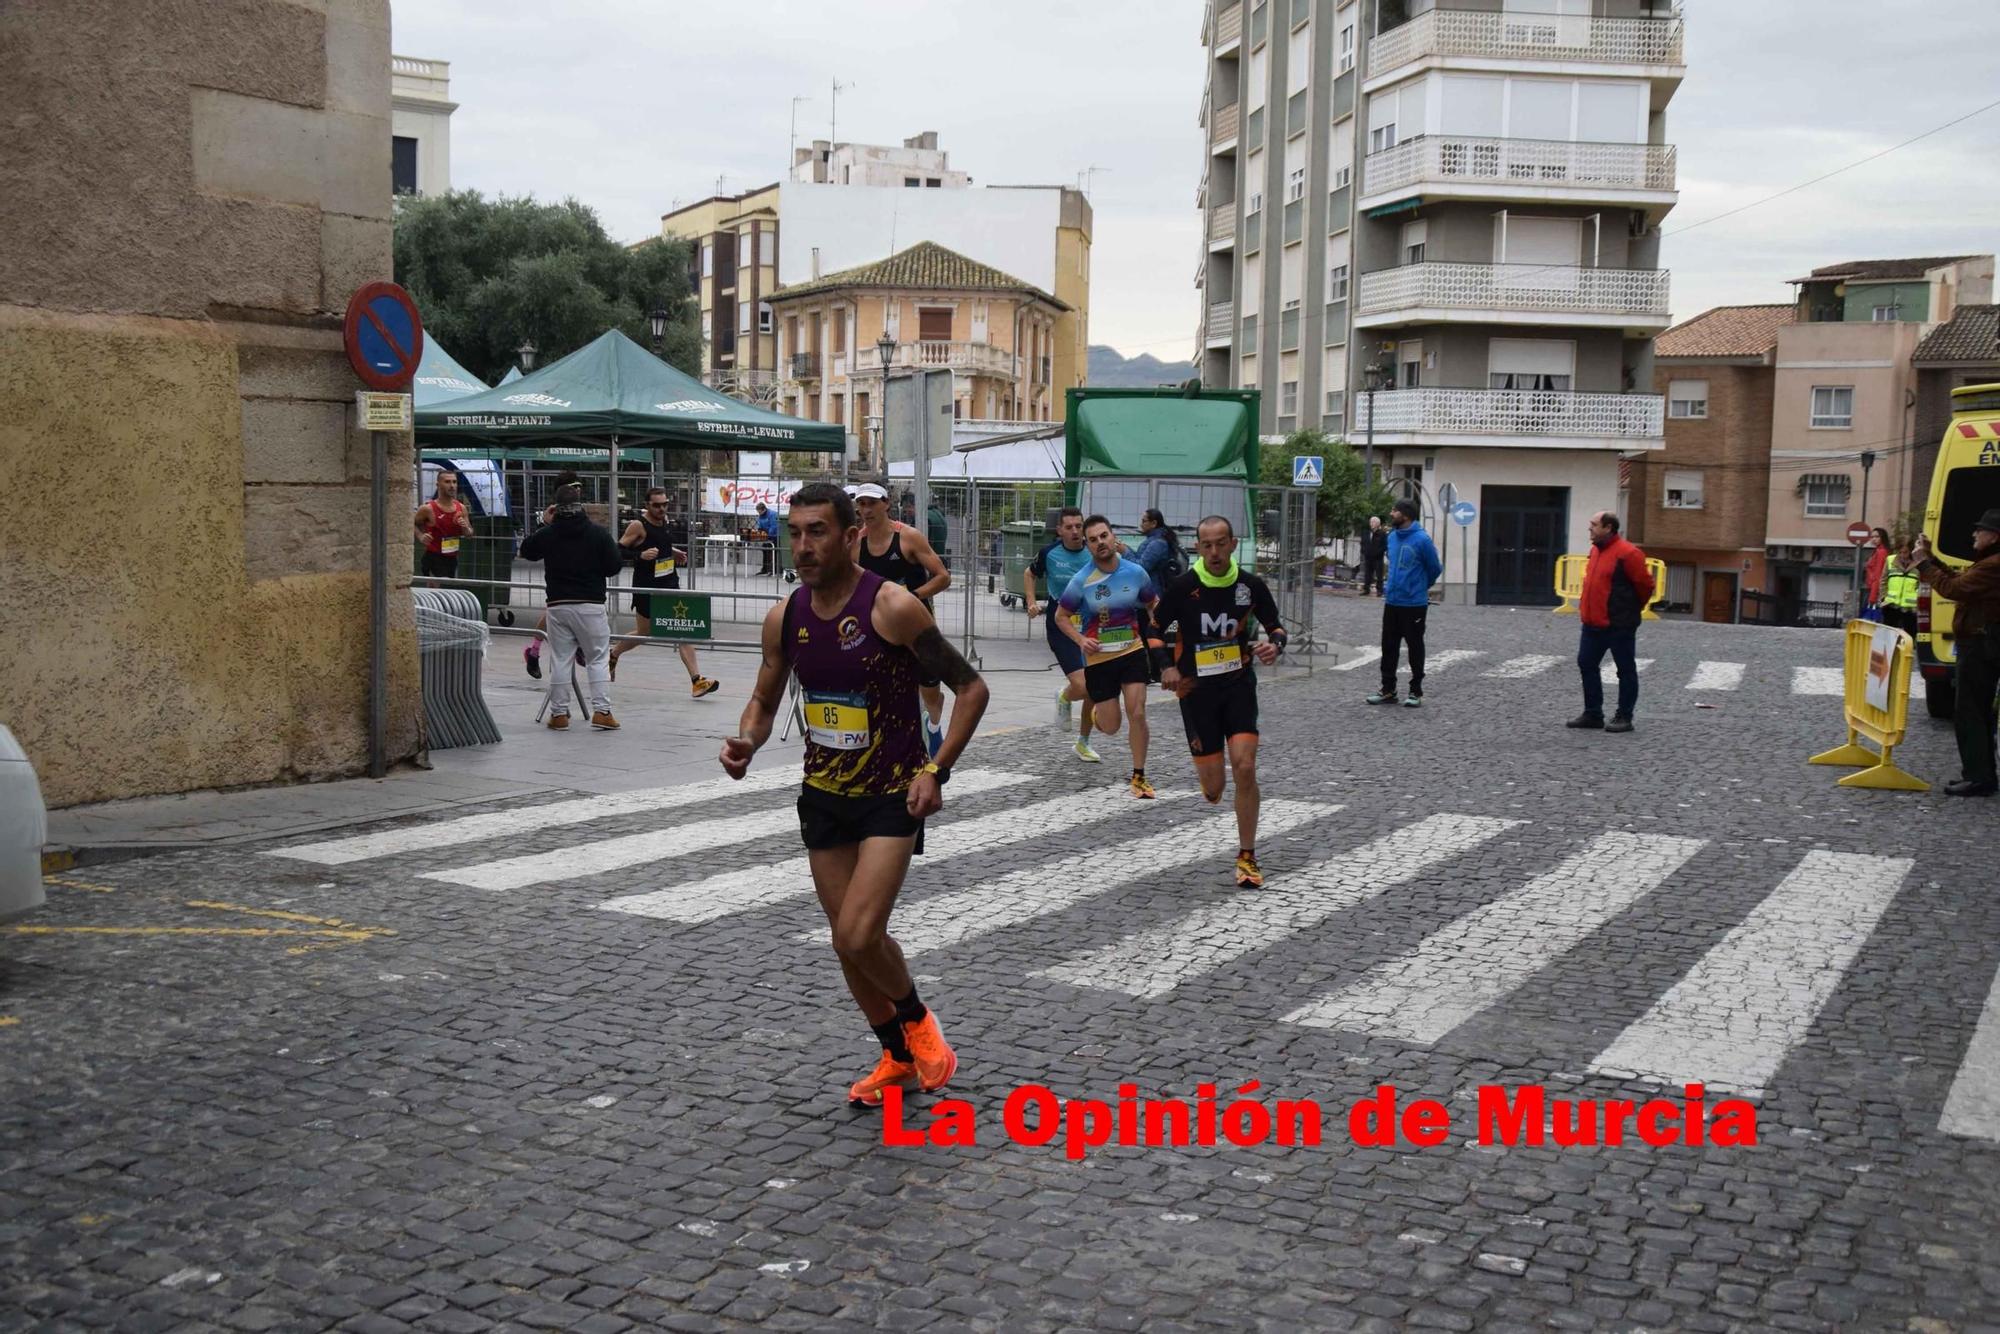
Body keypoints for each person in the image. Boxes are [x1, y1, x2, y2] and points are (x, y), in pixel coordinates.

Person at [719, 482, 990, 1105]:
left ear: (848, 537)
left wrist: (936, 770)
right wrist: (748, 741)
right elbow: (765, 698)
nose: (804, 545)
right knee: (846, 936)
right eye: (795, 532)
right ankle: (895, 1057)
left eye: (817, 532)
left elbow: (971, 690)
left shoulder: (892, 606)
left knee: (858, 934)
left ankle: (919, 1022)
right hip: (823, 794)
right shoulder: (784, 616)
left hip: (893, 793)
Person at [1149, 515, 1287, 888]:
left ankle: (1247, 857)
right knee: (1213, 789)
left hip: (1238, 685)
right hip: (1195, 693)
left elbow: (1276, 626)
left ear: (1232, 543)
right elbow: (1154, 629)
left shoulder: (1250, 585)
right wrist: (1166, 667)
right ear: (1198, 547)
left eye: (1220, 543)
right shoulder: (1184, 586)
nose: (1213, 552)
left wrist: (1274, 645)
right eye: (1206, 545)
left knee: (1244, 766)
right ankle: (1211, 783)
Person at [1056, 515, 1162, 799]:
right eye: (1093, 540)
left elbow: (1153, 603)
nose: (1100, 543)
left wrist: (1159, 623)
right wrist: (1080, 639)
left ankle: (1139, 776)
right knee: (1111, 726)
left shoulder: (1136, 572)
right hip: (1100, 658)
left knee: (1137, 712)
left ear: (1113, 537)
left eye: (1104, 536)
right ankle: (1095, 714)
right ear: (1088, 546)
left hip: (1132, 651)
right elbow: (1061, 616)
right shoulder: (1082, 580)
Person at [517, 472, 625, 731]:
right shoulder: (597, 534)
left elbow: (527, 550)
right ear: (580, 506)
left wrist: (545, 523)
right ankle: (602, 712)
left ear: (556, 509)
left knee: (561, 659)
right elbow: (614, 566)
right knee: (597, 658)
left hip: (558, 604)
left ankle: (559, 714)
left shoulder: (549, 533)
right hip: (590, 604)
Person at [851, 482, 952, 756]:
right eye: (861, 504)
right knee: (881, 687)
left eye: (872, 503)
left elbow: (943, 577)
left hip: (918, 625)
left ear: (886, 504)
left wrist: (912, 597)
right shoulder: (857, 543)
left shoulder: (908, 537)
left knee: (931, 692)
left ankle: (932, 725)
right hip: (878, 627)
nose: (866, 509)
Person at [1913, 508, 2000, 797]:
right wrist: (1931, 559)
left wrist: (1925, 565)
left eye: (1981, 530)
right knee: (1977, 711)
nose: (1974, 534)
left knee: (1971, 712)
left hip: (1980, 645)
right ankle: (1980, 774)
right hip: (1980, 642)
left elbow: (1953, 588)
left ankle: (1979, 777)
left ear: (1994, 536)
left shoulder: (1992, 566)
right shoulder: (1987, 563)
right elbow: (1959, 581)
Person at [609, 486, 719, 698]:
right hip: (647, 587)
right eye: (656, 505)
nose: (661, 509)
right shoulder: (638, 526)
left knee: (682, 628)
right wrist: (640, 555)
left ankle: (697, 681)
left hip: (669, 584)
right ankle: (612, 655)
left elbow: (660, 544)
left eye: (665, 504)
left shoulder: (666, 521)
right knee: (644, 632)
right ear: (647, 505)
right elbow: (617, 549)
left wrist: (672, 551)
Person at [1566, 510, 1655, 735]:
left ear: (1608, 528)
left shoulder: (1628, 554)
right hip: (1592, 623)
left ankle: (1625, 716)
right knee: (1586, 664)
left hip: (1619, 624)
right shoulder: (1595, 551)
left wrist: (1630, 609)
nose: (1590, 529)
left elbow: (1645, 586)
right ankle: (1593, 713)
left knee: (1625, 670)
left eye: (1594, 525)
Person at [1025, 507, 1100, 761]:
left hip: (1092, 623)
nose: (1075, 531)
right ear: (1059, 530)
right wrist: (1031, 602)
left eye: (1079, 526)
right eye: (1069, 527)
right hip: (1061, 623)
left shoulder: (1093, 551)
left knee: (1094, 688)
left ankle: (1083, 742)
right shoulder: (1049, 553)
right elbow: (1029, 573)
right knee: (1084, 685)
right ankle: (1065, 695)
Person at [1366, 500, 1442, 707]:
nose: (1391, 513)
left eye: (1395, 511)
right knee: (1388, 647)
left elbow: (1435, 568)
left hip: (1414, 604)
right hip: (1392, 602)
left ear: (1406, 515)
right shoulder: (1391, 538)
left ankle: (1416, 691)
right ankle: (1388, 690)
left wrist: (1419, 586)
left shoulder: (1422, 540)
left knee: (1415, 647)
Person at [414, 470, 474, 583]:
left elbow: (469, 534)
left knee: (449, 592)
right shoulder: (428, 508)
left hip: (452, 558)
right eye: (447, 482)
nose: (452, 486)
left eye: (454, 482)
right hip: (433, 558)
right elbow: (411, 523)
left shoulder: (461, 508)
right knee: (435, 596)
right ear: (438, 485)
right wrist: (420, 536)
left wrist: (465, 527)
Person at [1130, 508, 1185, 601]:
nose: (1141, 524)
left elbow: (1142, 567)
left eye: (1144, 521)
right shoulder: (1155, 540)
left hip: (1154, 594)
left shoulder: (1158, 543)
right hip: (1151, 592)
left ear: (1154, 523)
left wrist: (1125, 551)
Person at [1880, 536, 1921, 639]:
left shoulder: (1919, 563)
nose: (1903, 555)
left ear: (1911, 551)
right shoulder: (1890, 560)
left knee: (1909, 639)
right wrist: (1883, 597)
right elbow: (1883, 580)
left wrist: (1918, 602)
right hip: (1891, 606)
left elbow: (1921, 584)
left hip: (1910, 609)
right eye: (1900, 552)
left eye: (1905, 552)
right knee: (1888, 639)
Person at [1864, 527, 1891, 618]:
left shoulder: (1881, 552)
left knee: (1872, 616)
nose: (1874, 539)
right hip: (1873, 587)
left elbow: (1879, 574)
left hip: (1875, 589)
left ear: (1883, 538)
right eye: (1872, 537)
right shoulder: (1878, 551)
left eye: (1877, 536)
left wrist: (1873, 596)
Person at [1360, 515, 1388, 597]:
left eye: (1373, 522)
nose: (1371, 524)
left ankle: (1379, 591)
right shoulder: (1366, 533)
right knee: (1367, 574)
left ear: (1378, 523)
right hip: (1368, 557)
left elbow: (1384, 545)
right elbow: (1363, 543)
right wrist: (1364, 551)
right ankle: (1366, 589)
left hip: (1378, 558)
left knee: (1379, 575)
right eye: (1370, 522)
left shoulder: (1382, 534)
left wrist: (1378, 553)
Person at [753, 501, 781, 575]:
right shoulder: (760, 516)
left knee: (773, 552)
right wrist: (759, 531)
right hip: (766, 535)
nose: (759, 514)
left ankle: (774, 569)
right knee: (765, 550)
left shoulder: (772, 514)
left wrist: (768, 535)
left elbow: (774, 526)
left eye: (760, 512)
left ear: (764, 509)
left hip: (775, 535)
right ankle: (765, 569)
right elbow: (760, 525)